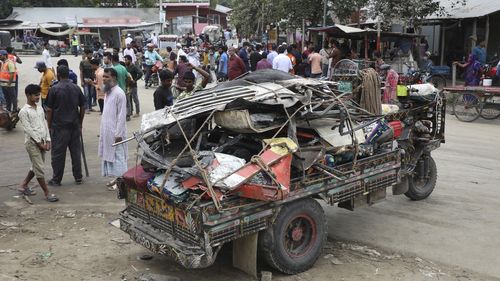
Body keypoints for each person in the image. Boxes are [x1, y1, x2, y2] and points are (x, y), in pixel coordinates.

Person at [18, 84, 59, 202]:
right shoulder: (24, 112)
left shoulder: (40, 108)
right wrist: (39, 143)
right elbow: (28, 129)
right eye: (35, 95)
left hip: (42, 141)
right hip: (32, 143)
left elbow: (44, 124)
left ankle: (23, 185)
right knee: (39, 168)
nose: (38, 97)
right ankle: (47, 193)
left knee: (36, 166)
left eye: (38, 95)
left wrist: (48, 139)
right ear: (28, 95)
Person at [46, 65, 86, 186]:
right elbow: (83, 107)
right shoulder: (76, 88)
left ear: (58, 75)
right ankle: (78, 176)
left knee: (58, 154)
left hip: (59, 126)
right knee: (75, 152)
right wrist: (80, 122)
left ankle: (57, 179)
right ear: (68, 75)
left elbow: (49, 110)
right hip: (74, 125)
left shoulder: (54, 89)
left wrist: (49, 125)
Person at [99, 68, 128, 189]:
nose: (104, 79)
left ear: (114, 78)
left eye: (107, 77)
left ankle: (122, 183)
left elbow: (122, 116)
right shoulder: (108, 92)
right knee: (111, 157)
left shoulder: (119, 93)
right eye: (103, 76)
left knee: (119, 157)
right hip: (107, 130)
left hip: (116, 133)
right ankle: (116, 179)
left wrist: (118, 134)